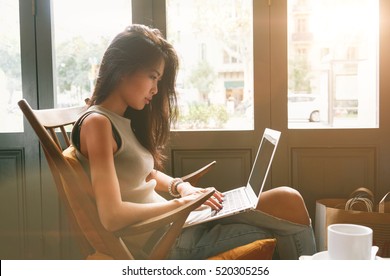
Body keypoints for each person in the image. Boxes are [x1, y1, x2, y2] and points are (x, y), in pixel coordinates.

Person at [71, 24, 317, 259]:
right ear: (124, 69)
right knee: (279, 226)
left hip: (179, 224)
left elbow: (143, 175)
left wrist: (181, 188)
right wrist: (182, 205)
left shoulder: (119, 120)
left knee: (288, 199)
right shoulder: (98, 124)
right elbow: (112, 216)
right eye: (153, 77)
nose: (156, 89)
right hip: (166, 240)